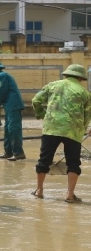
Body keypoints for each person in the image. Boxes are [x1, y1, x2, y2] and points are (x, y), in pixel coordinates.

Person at [31, 64, 91, 202]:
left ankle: (39, 190)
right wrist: (84, 128)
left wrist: (42, 114)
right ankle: (70, 195)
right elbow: (87, 115)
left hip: (51, 127)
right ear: (81, 78)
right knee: (73, 163)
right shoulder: (85, 93)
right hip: (73, 131)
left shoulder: (53, 85)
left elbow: (36, 101)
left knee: (44, 160)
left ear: (66, 74)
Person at [0, 61, 25, 161]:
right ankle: (8, 152)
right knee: (7, 129)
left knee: (13, 128)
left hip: (13, 105)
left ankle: (18, 153)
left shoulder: (2, 76)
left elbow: (2, 91)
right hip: (8, 105)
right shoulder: (0, 76)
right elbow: (2, 94)